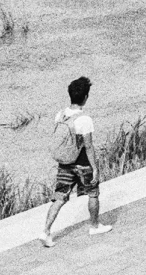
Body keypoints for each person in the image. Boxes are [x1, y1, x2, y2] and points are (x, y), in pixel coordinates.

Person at [38, 76, 112, 247]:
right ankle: (94, 226)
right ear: (85, 97)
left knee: (59, 198)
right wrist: (95, 168)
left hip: (65, 163)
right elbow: (89, 146)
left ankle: (46, 231)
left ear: (70, 95)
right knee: (93, 193)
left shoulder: (60, 115)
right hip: (82, 164)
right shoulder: (84, 119)